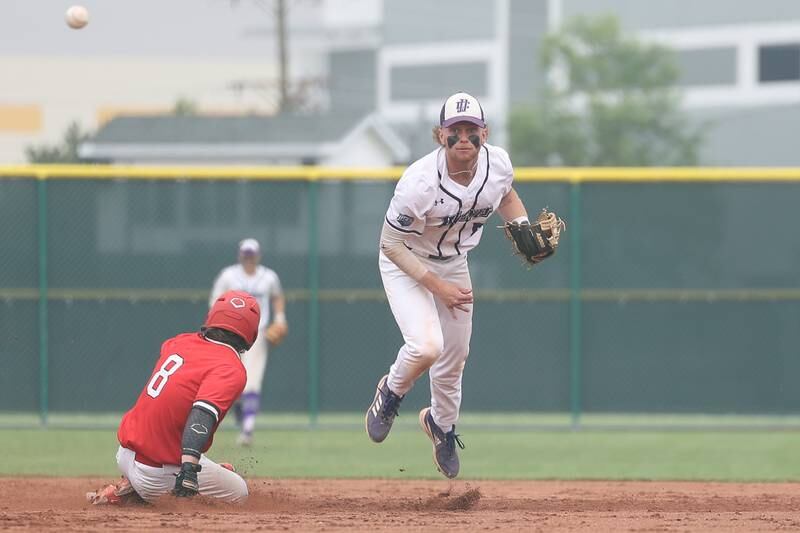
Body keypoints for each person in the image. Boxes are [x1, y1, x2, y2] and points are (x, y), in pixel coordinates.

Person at [365, 92, 561, 478]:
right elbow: (390, 244)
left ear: (484, 133)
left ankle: (440, 425)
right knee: (427, 346)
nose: (464, 138)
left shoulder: (498, 164)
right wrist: (437, 287)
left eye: (472, 129)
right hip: (406, 262)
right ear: (441, 135)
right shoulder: (419, 182)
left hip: (454, 263)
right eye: (455, 130)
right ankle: (392, 390)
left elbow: (506, 195)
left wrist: (522, 226)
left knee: (454, 357)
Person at [86, 290, 260, 504]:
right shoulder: (230, 368)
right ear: (251, 332)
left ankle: (134, 484)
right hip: (155, 473)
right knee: (239, 492)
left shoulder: (180, 341)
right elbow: (202, 417)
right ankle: (136, 495)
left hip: (125, 453)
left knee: (204, 463)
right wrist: (189, 469)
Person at [209, 238, 288, 446]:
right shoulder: (228, 276)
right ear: (240, 255)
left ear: (258, 256)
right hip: (230, 335)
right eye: (246, 255)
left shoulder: (268, 277)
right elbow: (215, 302)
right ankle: (239, 412)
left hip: (257, 334)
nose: (249, 259)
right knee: (233, 381)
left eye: (251, 255)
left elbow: (277, 297)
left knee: (252, 382)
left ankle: (247, 429)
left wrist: (280, 319)